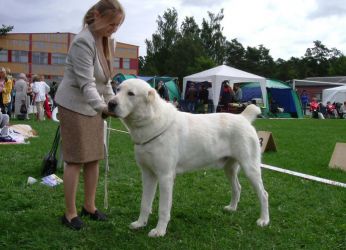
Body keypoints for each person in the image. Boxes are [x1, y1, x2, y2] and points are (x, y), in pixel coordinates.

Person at [54, 0, 125, 230]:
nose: (114, 29)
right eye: (112, 24)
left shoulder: (104, 41)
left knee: (94, 157)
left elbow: (104, 82)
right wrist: (104, 108)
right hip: (74, 105)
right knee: (75, 159)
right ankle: (70, 214)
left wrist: (114, 102)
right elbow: (87, 84)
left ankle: (89, 206)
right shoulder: (82, 42)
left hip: (93, 107)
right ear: (97, 15)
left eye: (117, 25)